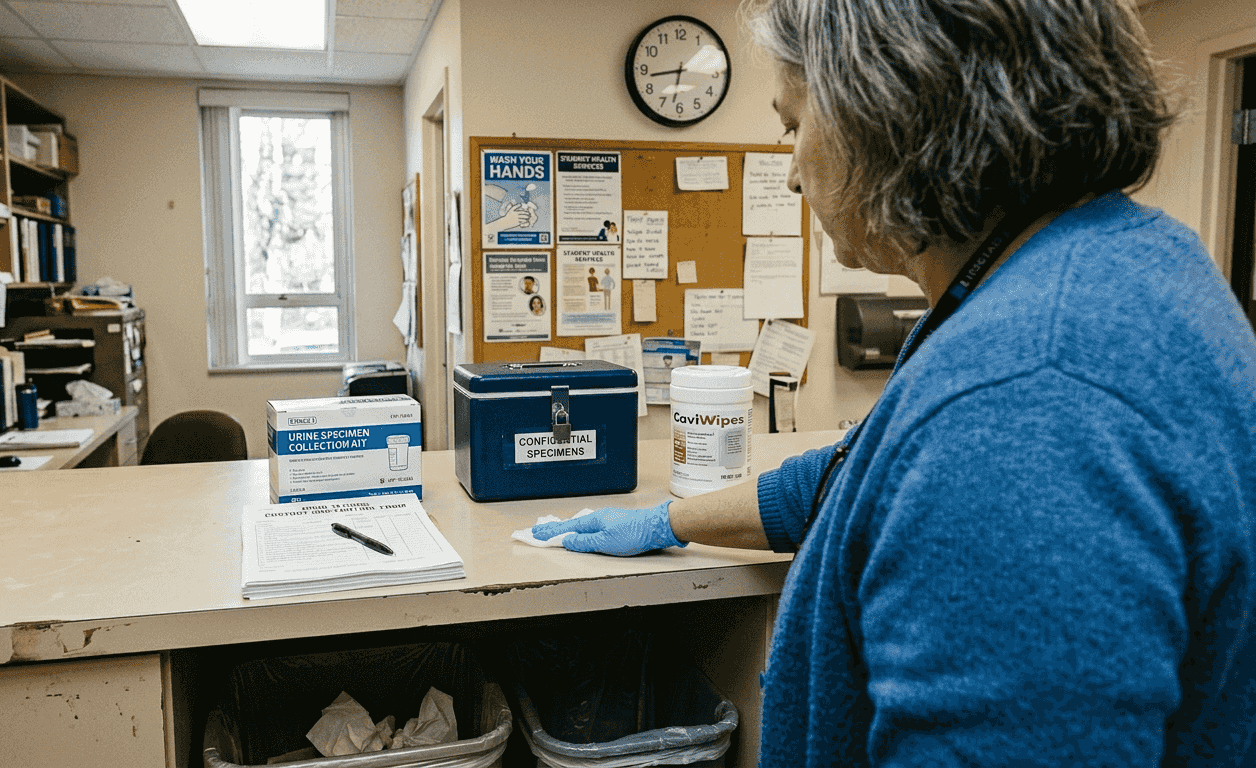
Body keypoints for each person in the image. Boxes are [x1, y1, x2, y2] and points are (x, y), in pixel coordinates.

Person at [533, 0, 1256, 765]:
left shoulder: (1020, 402)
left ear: (886, 113)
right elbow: (857, 475)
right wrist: (671, 521)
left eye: (792, 124)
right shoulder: (1113, 263)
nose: (789, 174)